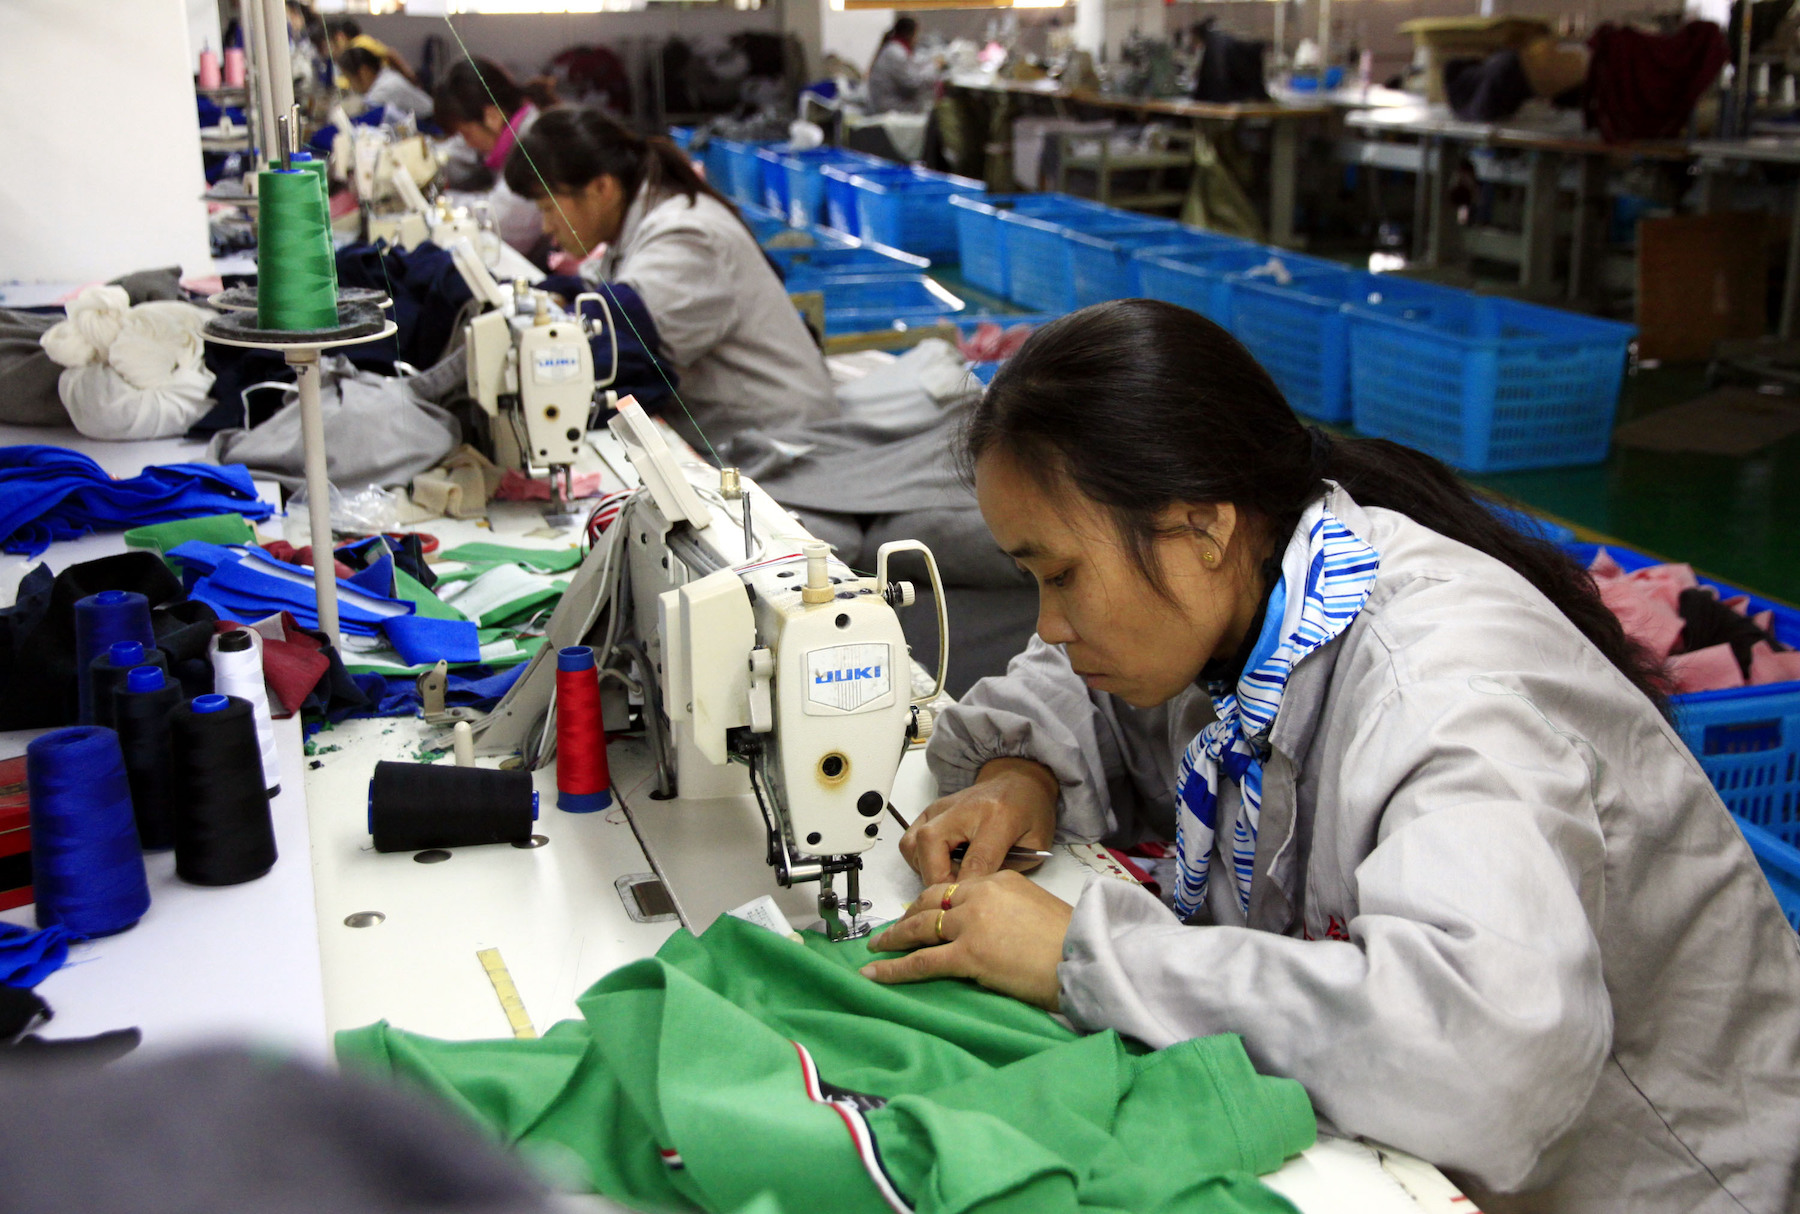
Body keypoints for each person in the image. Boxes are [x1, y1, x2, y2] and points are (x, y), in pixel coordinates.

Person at [862, 299, 1800, 1212]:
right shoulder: (1256, 600)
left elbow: (1486, 1060)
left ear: (1203, 525)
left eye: (1062, 575)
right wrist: (1018, 772)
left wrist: (1083, 953)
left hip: (1659, 1181)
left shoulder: (1444, 695)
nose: (1049, 623)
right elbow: (1068, 685)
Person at [502, 106, 836, 449]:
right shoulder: (643, 221)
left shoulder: (687, 234)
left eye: (547, 207)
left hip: (784, 446)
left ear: (601, 187)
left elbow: (619, 343)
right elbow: (594, 292)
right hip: (737, 436)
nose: (546, 227)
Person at [431, 59, 559, 256]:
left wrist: (438, 202)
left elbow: (504, 222)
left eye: (466, 134)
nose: (467, 143)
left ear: (492, 116)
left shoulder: (534, 144)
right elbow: (452, 153)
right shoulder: (514, 131)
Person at [337, 46, 434, 122]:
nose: (350, 85)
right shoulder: (386, 77)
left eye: (350, 79)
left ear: (364, 72)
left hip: (430, 125)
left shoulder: (383, 90)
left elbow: (366, 118)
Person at [867, 18, 940, 114]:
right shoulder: (896, 53)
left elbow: (914, 64)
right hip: (889, 107)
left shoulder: (895, 48)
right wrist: (935, 66)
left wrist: (931, 63)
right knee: (931, 107)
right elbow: (914, 83)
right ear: (910, 35)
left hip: (889, 101)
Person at [325, 17, 420, 86]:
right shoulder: (357, 45)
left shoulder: (361, 43)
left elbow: (390, 53)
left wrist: (410, 77)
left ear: (340, 37)